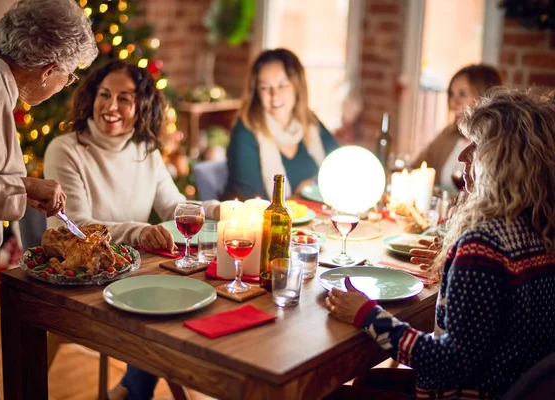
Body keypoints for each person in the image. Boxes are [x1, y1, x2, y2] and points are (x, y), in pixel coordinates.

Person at [326, 88, 555, 398]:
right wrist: (454, 264)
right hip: (509, 387)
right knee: (369, 381)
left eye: (476, 146)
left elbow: (449, 363)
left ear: (502, 162)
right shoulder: (538, 231)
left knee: (336, 394)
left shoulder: (483, 246)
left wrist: (366, 314)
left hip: (468, 392)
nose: (462, 156)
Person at [44, 60, 220, 400]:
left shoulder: (146, 150)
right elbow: (75, 226)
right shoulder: (66, 150)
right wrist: (139, 232)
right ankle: (133, 392)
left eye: (124, 98)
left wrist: (223, 209)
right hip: (84, 278)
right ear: (91, 97)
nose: (111, 107)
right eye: (104, 95)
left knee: (189, 295)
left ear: (142, 107)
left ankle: (130, 391)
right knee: (162, 308)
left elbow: (174, 207)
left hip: (133, 271)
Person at [0, 0, 97, 398]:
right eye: (68, 77)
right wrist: (26, 188)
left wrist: (24, 187)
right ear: (48, 69)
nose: (64, 85)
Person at [223, 48, 339, 200]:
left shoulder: (311, 123)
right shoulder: (245, 132)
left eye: (282, 85)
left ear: (297, 87)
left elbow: (339, 170)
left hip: (314, 220)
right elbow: (252, 202)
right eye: (265, 88)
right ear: (256, 92)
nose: (274, 95)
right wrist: (302, 195)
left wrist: (313, 185)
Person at [413, 64, 501, 192]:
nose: (454, 102)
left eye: (462, 94)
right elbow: (417, 169)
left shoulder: (498, 145)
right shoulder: (448, 134)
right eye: (451, 94)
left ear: (485, 96)